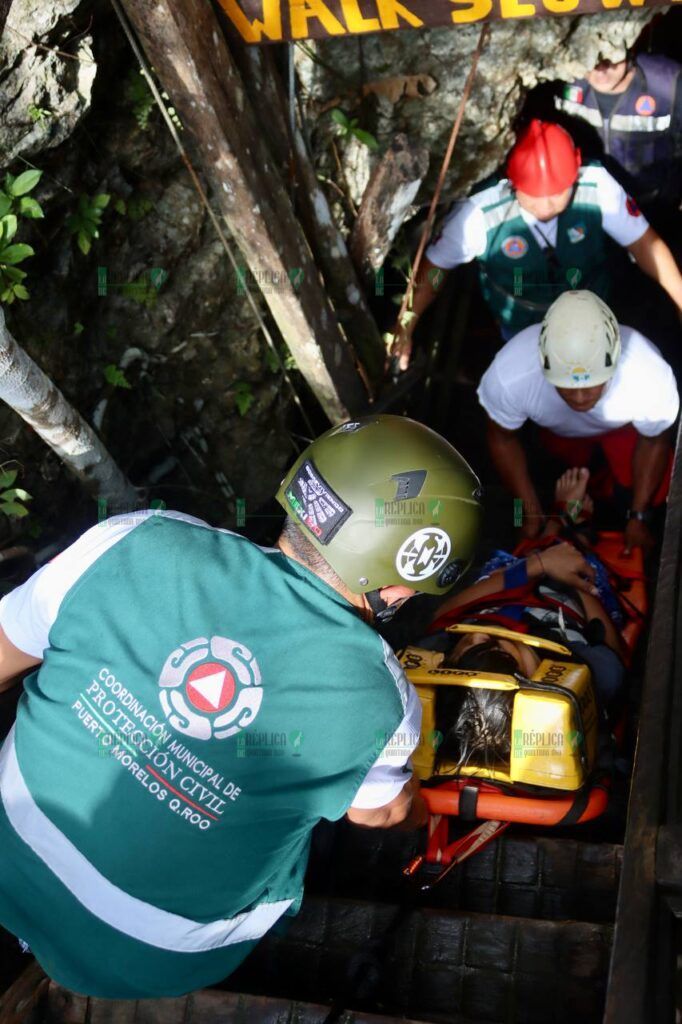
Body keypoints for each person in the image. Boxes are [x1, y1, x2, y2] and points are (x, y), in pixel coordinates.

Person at [0, 415, 481, 999]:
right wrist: (421, 809)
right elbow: (377, 814)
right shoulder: (380, 696)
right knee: (319, 810)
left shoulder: (134, 538)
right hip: (142, 962)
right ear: (403, 580)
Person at [390, 119, 682, 371]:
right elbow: (436, 269)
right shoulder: (480, 213)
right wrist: (406, 325)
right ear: (512, 181)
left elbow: (645, 246)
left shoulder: (597, 187)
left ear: (575, 175)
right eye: (534, 195)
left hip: (593, 314)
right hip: (521, 325)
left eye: (558, 193)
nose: (546, 204)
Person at [429, 466, 628, 763]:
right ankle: (570, 524)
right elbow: (618, 654)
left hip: (503, 582)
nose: (479, 633)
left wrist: (535, 566)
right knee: (574, 554)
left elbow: (443, 614)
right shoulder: (585, 671)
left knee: (508, 561)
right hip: (564, 596)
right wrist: (581, 584)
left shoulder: (438, 653)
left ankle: (540, 531)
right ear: (531, 670)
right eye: (494, 645)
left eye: (468, 645)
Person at [477, 290, 679, 551]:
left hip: (624, 431)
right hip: (558, 436)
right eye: (566, 387)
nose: (581, 397)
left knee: (658, 489)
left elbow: (654, 441)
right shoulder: (510, 373)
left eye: (594, 385)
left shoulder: (650, 374)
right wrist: (530, 512)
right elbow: (502, 438)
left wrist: (639, 517)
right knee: (549, 475)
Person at [555, 52, 682, 225]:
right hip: (586, 207)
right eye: (591, 59)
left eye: (610, 55)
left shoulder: (669, 83)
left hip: (652, 207)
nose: (601, 70)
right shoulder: (560, 77)